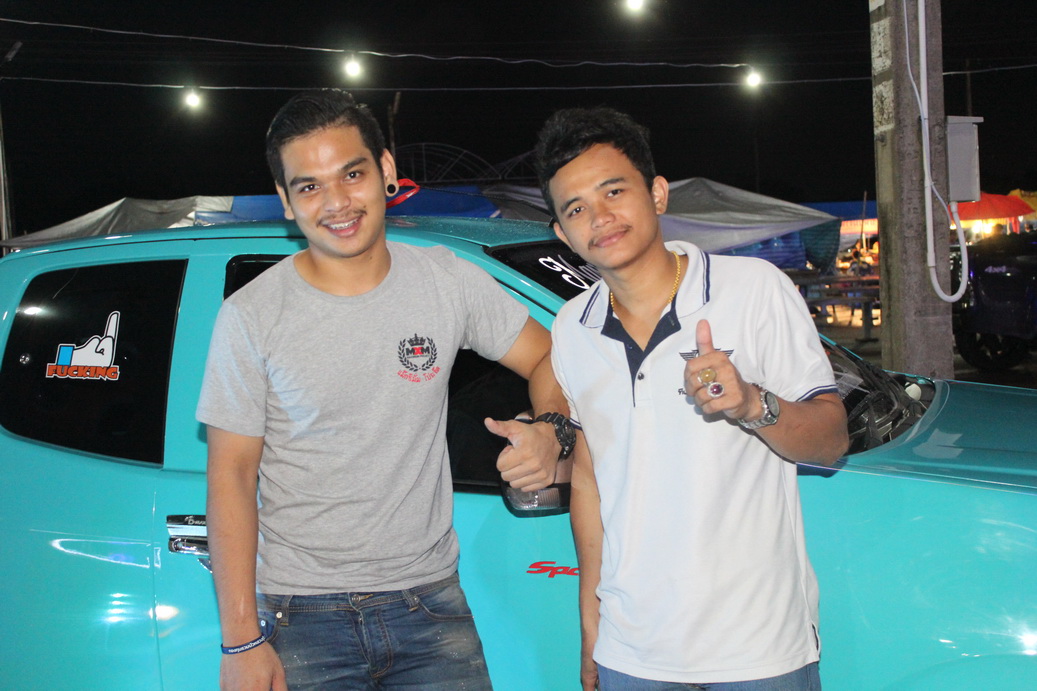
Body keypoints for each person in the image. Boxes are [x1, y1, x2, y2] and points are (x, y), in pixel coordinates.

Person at [197, 89, 573, 690]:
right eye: (309, 186)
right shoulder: (251, 316)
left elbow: (552, 356)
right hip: (302, 616)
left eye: (352, 174)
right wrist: (241, 639)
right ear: (286, 201)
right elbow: (231, 477)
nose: (337, 203)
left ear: (387, 171)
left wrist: (551, 429)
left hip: (431, 605)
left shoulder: (446, 281)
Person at [533, 107, 849, 691]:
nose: (599, 217)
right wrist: (591, 620)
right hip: (632, 653)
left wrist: (752, 405)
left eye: (613, 191)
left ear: (656, 194)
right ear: (562, 234)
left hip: (757, 651)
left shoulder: (754, 290)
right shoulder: (572, 327)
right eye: (575, 209)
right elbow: (590, 478)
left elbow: (831, 442)